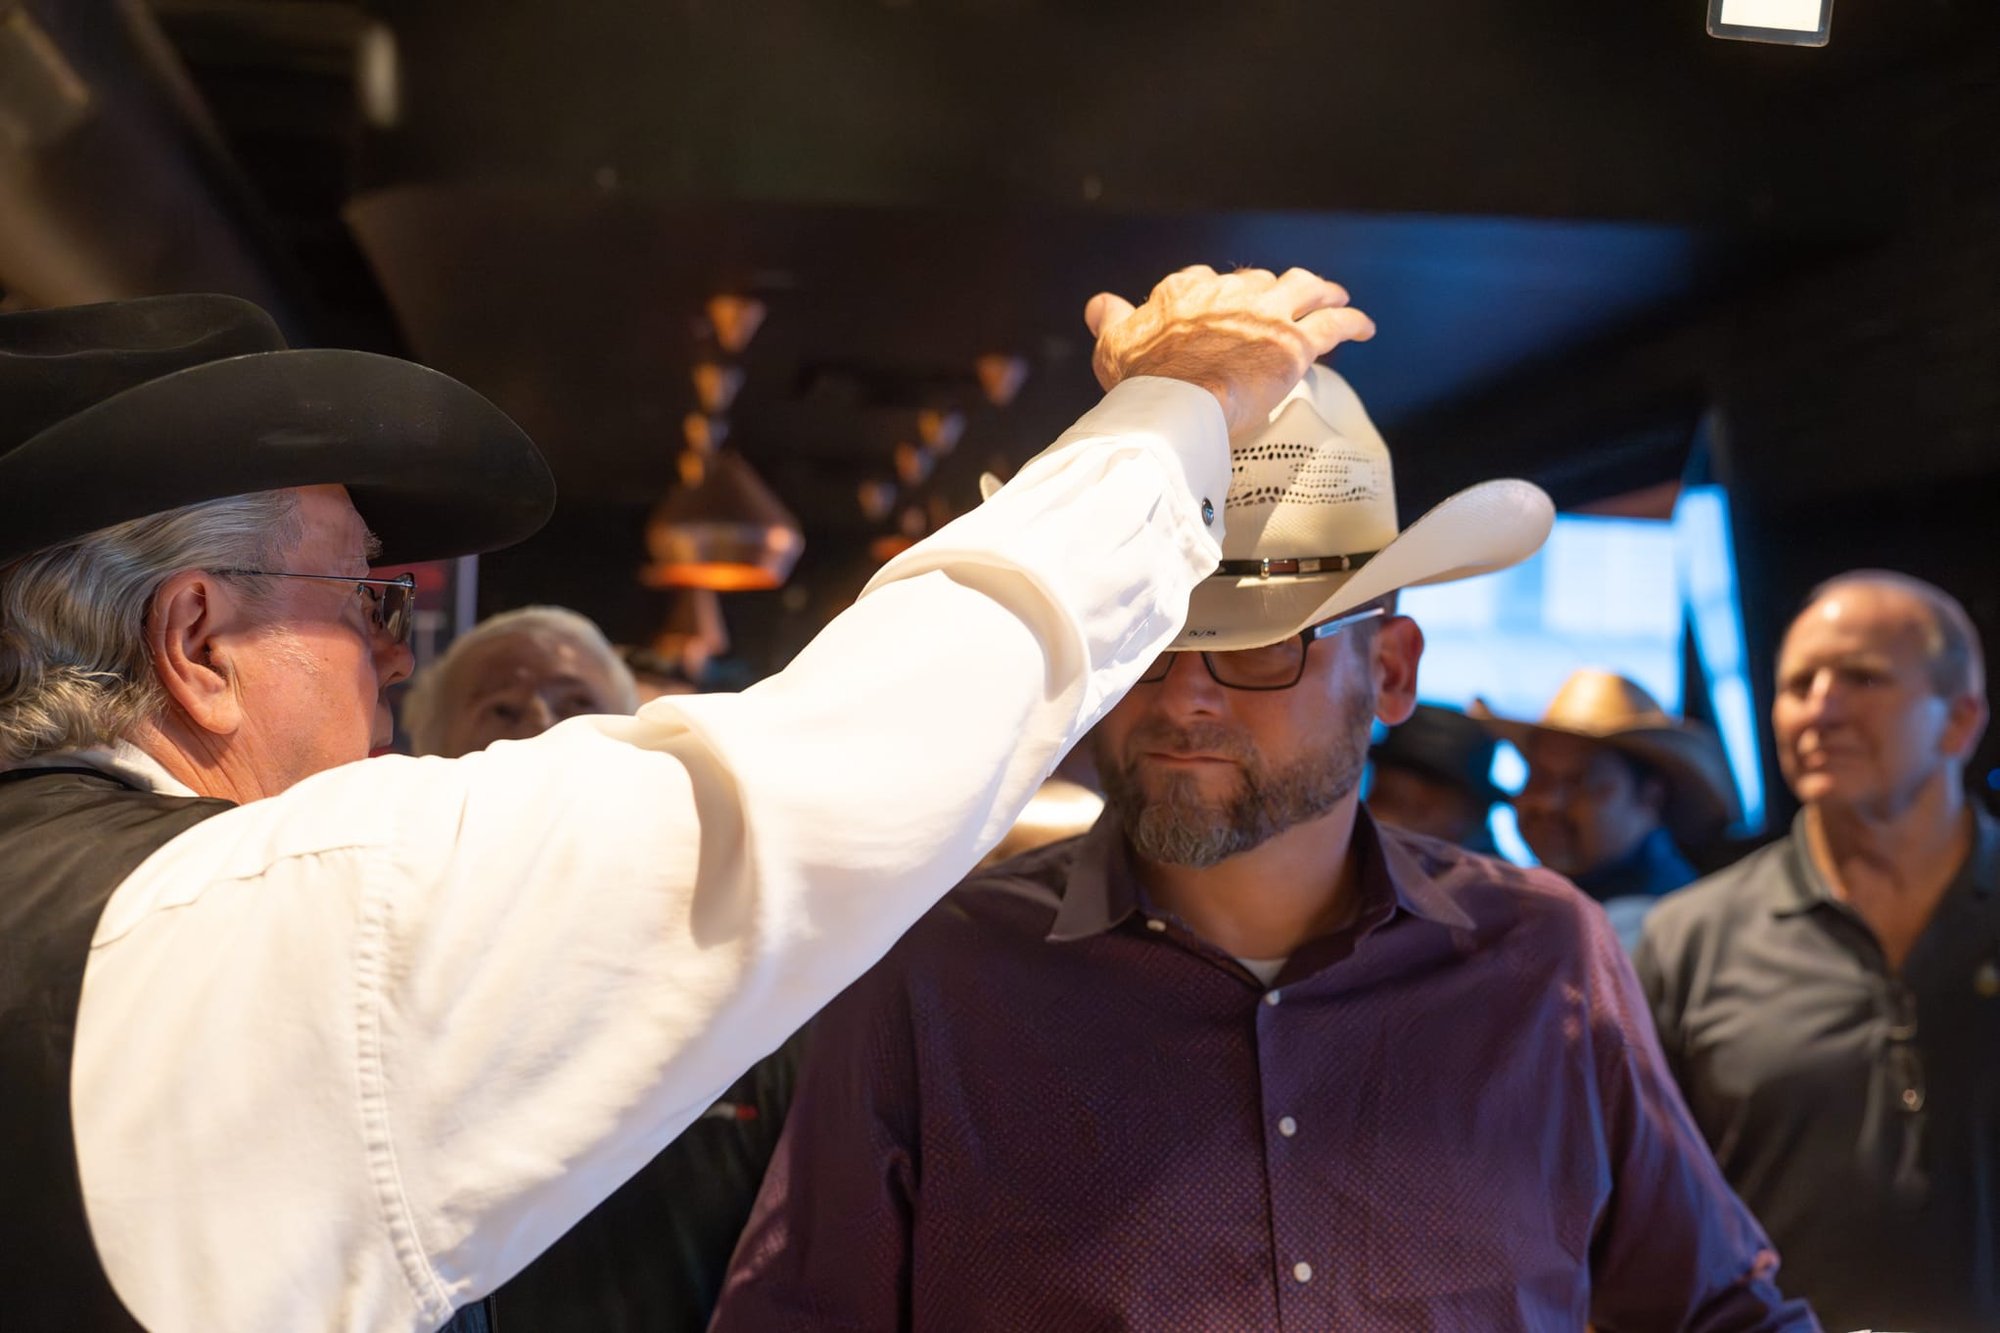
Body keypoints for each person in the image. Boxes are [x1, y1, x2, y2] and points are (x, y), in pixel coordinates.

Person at [0, 264, 1371, 1332]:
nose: (385, 657)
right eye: (364, 599)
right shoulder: (261, 921)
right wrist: (1185, 403)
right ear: (195, 646)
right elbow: (831, 781)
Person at [711, 368, 1813, 1331]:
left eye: (1258, 647)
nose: (1181, 693)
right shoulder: (933, 976)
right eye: (1142, 640)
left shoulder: (1541, 962)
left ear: (1388, 672)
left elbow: (1718, 1308)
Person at [400, 604, 802, 1330]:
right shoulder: (391, 975)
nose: (543, 722)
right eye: (499, 706)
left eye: (580, 702)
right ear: (430, 752)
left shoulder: (739, 963)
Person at [1637, 571, 1997, 1333]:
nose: (1820, 708)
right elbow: (1638, 1218)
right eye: (1799, 683)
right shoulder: (1689, 938)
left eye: (1862, 677)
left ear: (1960, 720)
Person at [1473, 668, 1739, 949]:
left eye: (1581, 782)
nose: (1549, 802)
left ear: (1651, 797)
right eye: (1539, 777)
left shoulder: (1667, 929)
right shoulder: (1525, 902)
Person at [1364, 702, 1502, 851]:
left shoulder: (1494, 871)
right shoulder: (1362, 860)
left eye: (1412, 809)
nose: (1381, 818)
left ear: (1469, 814)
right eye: (1379, 797)